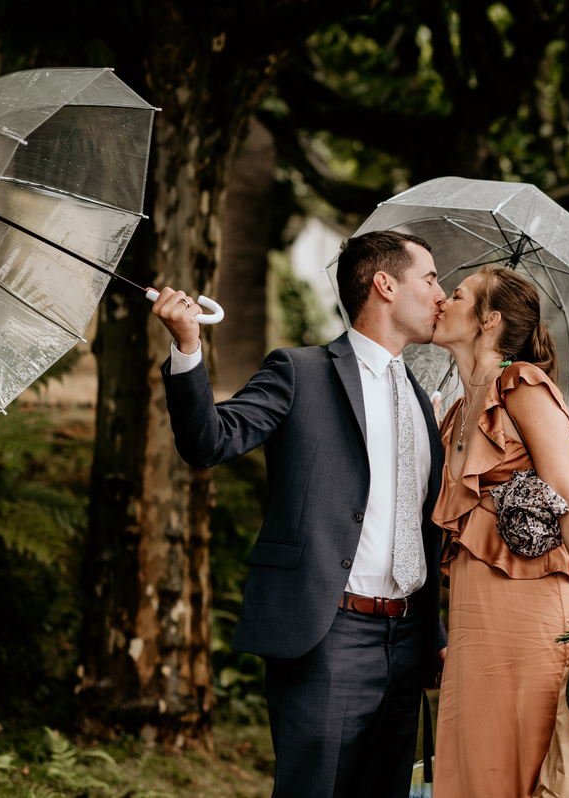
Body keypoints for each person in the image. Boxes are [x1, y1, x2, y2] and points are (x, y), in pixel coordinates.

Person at [151, 231, 447, 797]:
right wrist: (188, 344)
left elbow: (417, 522)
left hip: (407, 642)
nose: (440, 294)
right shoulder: (299, 371)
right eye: (429, 279)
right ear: (385, 285)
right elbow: (209, 441)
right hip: (326, 634)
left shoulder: (418, 393)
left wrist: (429, 632)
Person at [429, 265, 569, 796]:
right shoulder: (458, 409)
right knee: (475, 753)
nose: (442, 300)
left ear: (487, 321)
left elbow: (568, 496)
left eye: (458, 294)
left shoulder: (523, 384)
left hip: (530, 603)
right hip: (472, 606)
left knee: (526, 754)